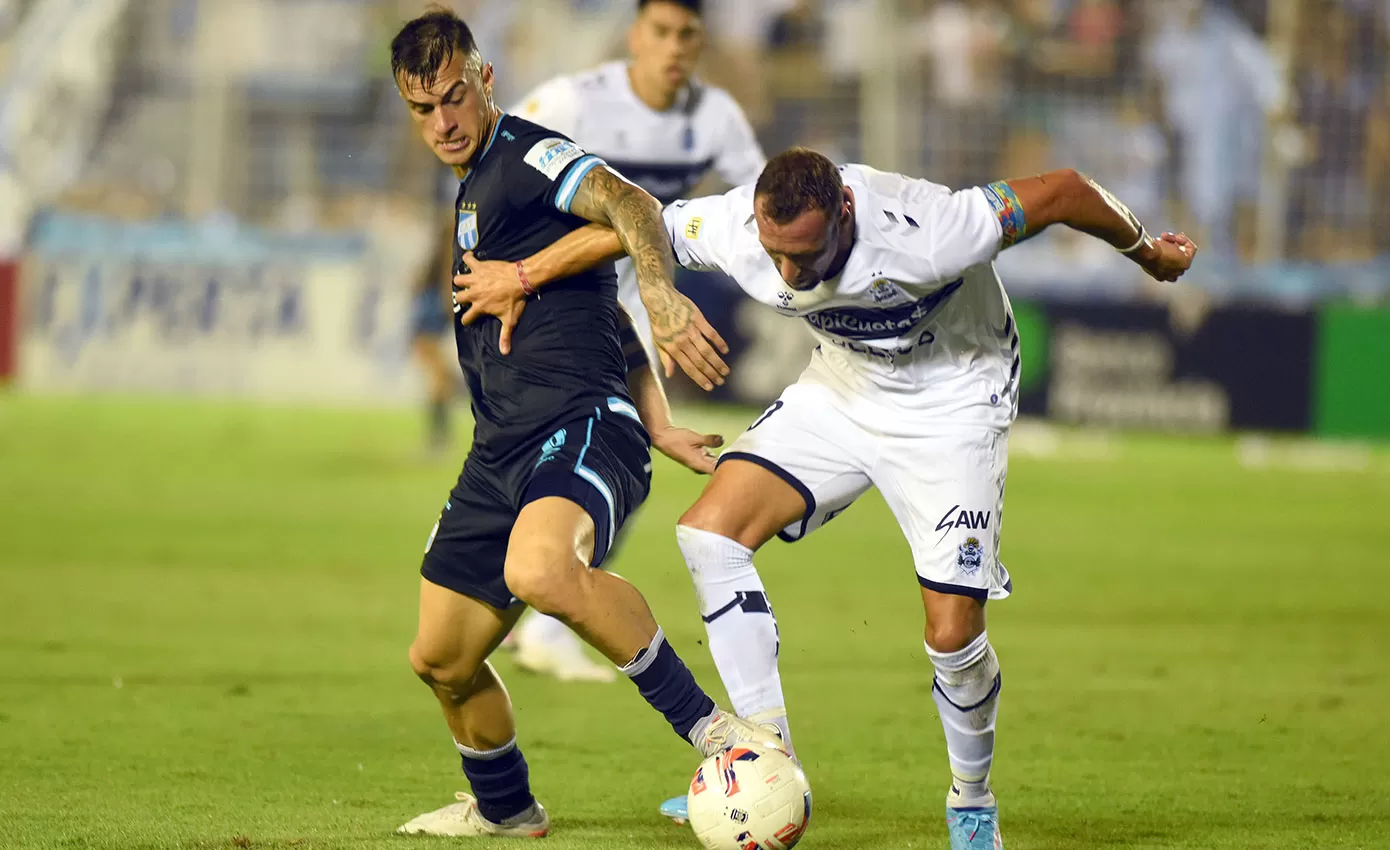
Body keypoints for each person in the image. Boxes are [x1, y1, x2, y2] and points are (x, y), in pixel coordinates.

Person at [455, 147, 1197, 849]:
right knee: (709, 533)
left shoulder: (933, 231)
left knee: (951, 633)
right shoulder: (741, 228)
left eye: (804, 256)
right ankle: (764, 761)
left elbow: (1064, 190)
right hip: (843, 391)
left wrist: (1147, 252)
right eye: (777, 254)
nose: (788, 272)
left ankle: (971, 800)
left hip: (953, 404)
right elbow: (631, 220)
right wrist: (520, 277)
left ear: (845, 208)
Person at [386, 9, 781, 838]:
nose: (444, 121)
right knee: (442, 659)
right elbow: (599, 308)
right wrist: (664, 420)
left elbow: (632, 205)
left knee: (540, 570)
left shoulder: (529, 155)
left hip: (581, 425)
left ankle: (721, 737)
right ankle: (506, 809)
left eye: (455, 97)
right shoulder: (472, 191)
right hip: (500, 450)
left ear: (484, 79)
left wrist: (664, 292)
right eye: (423, 109)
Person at [496, 0, 767, 682]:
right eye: (662, 32)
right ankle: (541, 613)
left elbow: (758, 206)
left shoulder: (716, 118)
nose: (675, 48)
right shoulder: (572, 101)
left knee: (598, 455)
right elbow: (493, 159)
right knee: (604, 455)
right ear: (634, 36)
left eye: (688, 36)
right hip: (552, 292)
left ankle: (522, 602)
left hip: (633, 300)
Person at [411, 217, 459, 455]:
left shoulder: (437, 246)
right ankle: (439, 440)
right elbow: (445, 282)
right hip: (431, 318)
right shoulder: (451, 240)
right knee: (440, 380)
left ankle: (438, 440)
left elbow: (418, 282)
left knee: (439, 380)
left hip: (424, 319)